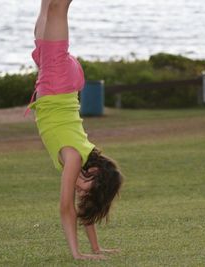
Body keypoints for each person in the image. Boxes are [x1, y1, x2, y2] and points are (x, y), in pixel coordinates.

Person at [24, 0, 123, 260]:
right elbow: (65, 208)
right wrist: (77, 254)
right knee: (58, 7)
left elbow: (82, 210)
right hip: (58, 84)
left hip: (58, 82)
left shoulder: (82, 160)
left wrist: (96, 248)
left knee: (47, 8)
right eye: (86, 189)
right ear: (94, 172)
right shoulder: (74, 158)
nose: (80, 192)